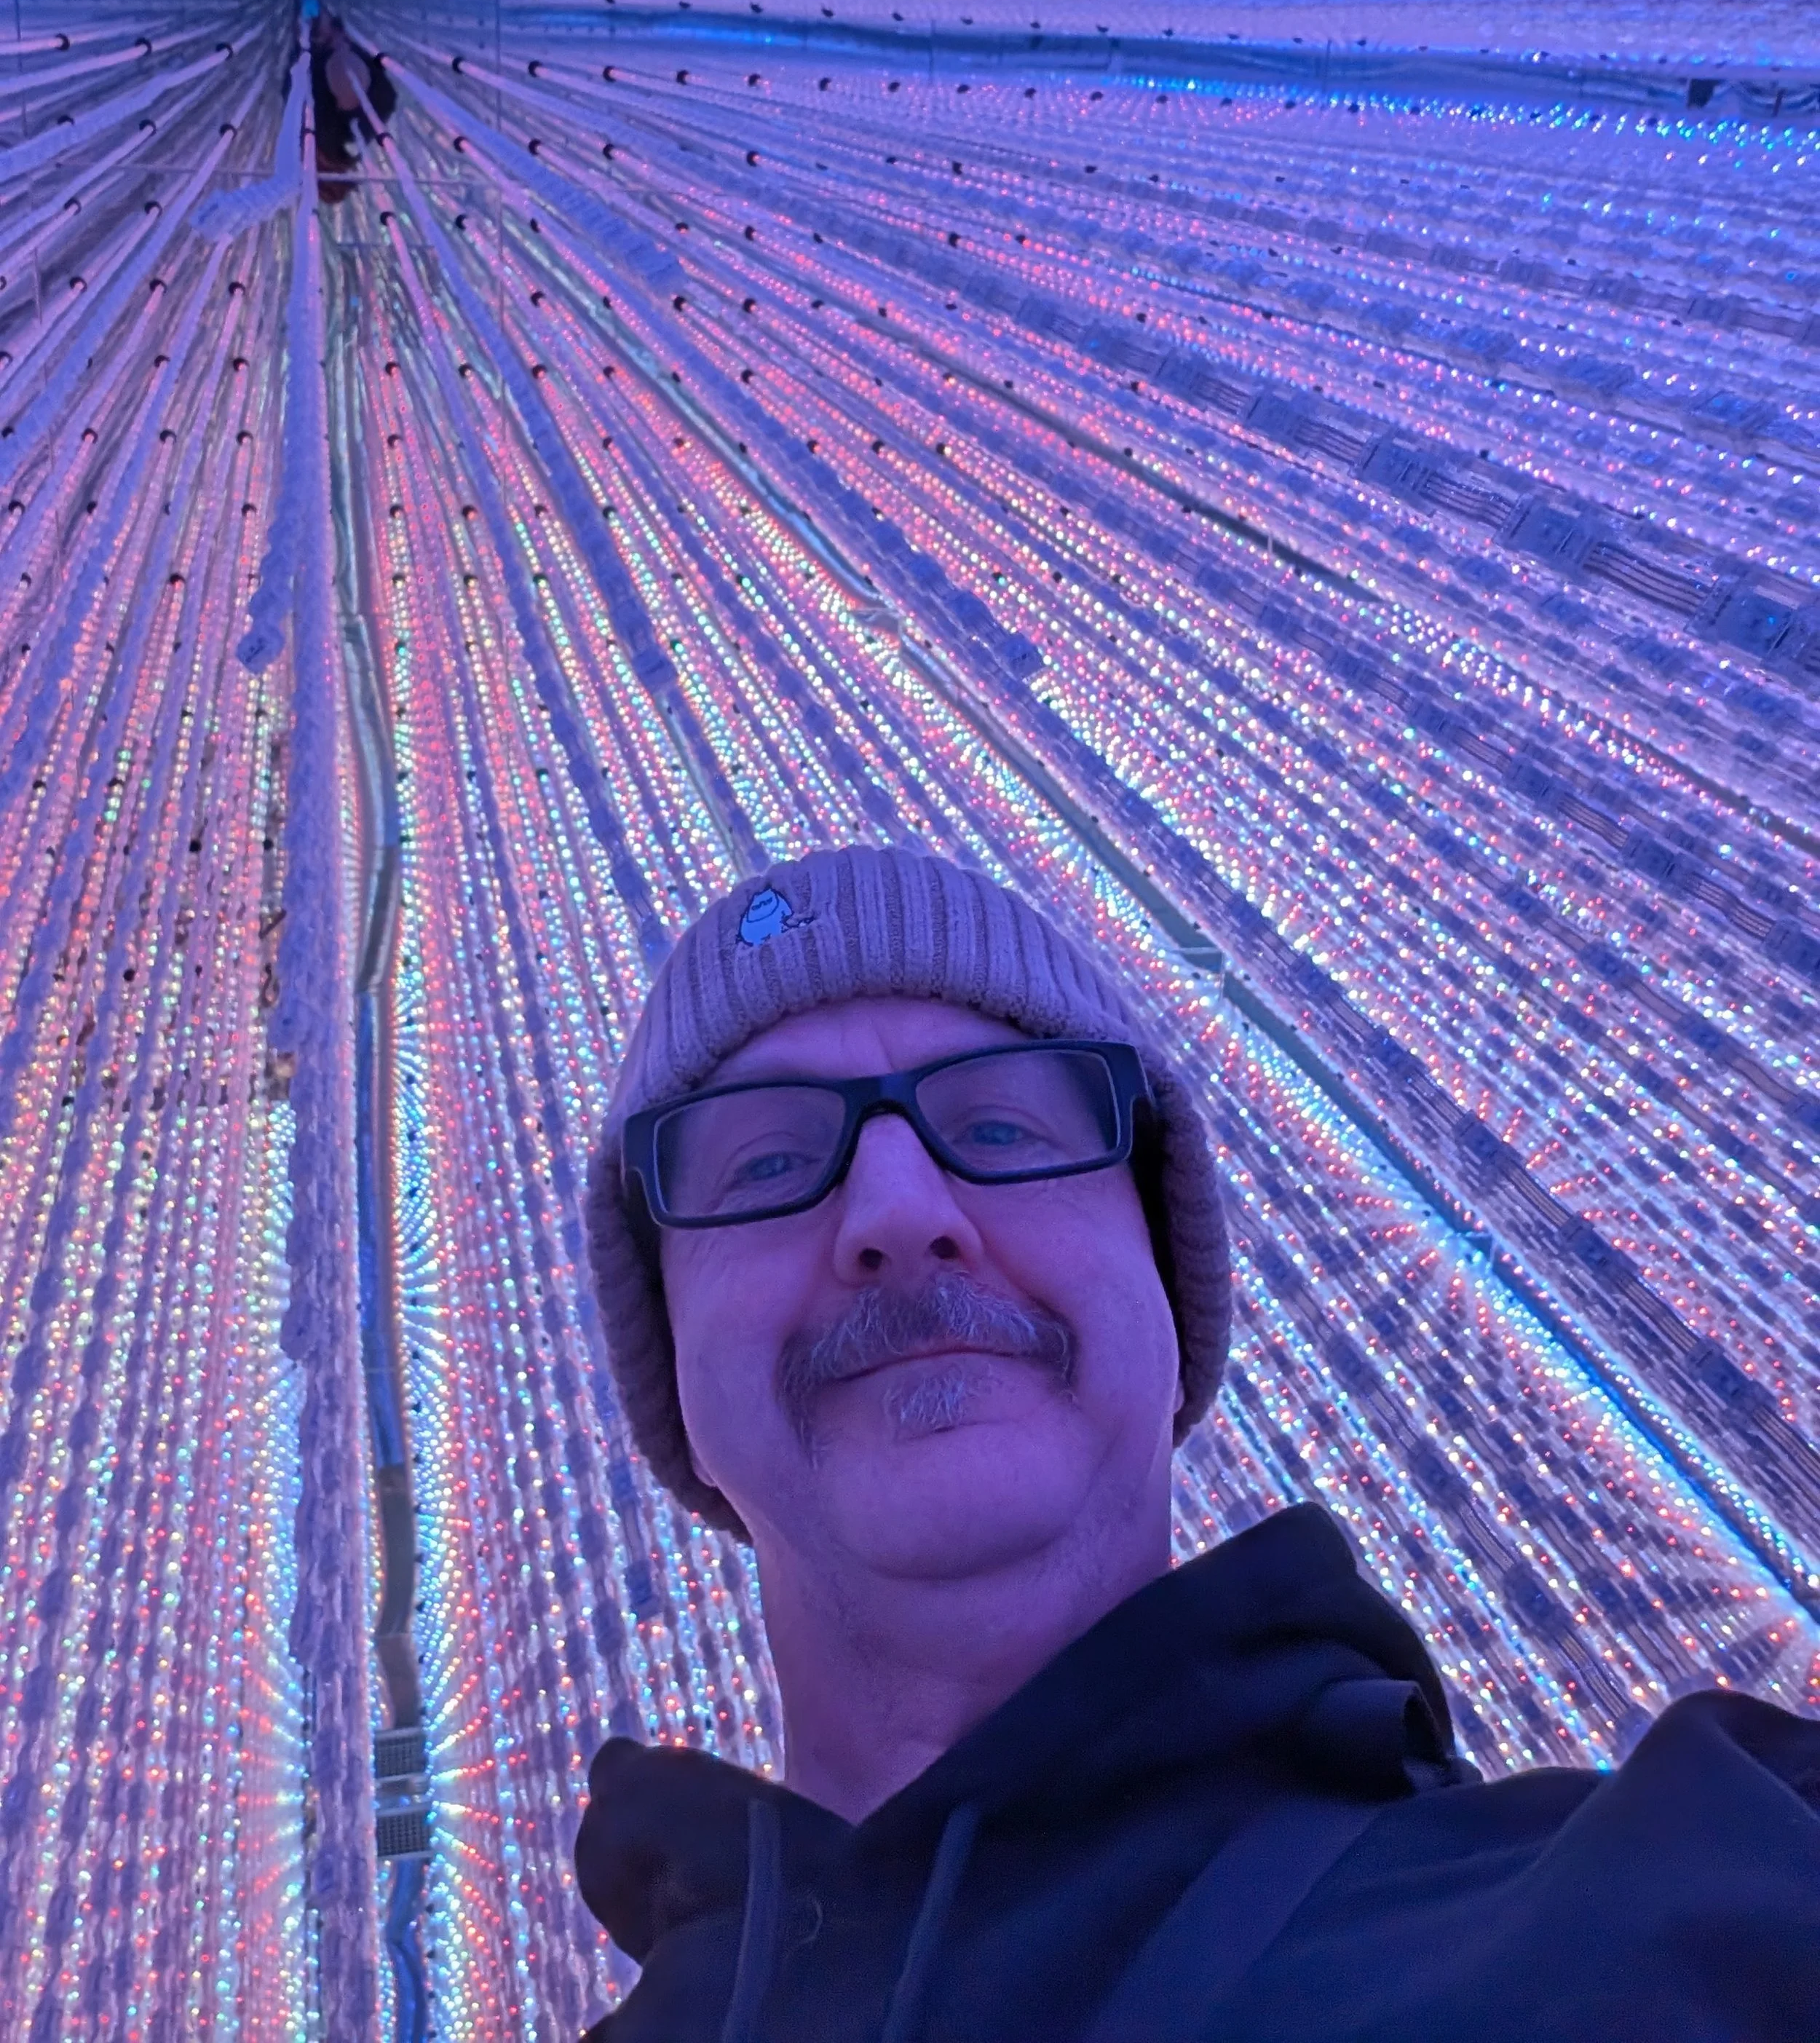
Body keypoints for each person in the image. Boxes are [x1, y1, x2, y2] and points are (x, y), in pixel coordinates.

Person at [577, 845, 1820, 2042]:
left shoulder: (1702, 1896)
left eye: (1002, 1128)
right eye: (770, 1161)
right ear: (671, 1368)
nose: (900, 1213)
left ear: (1170, 1299)